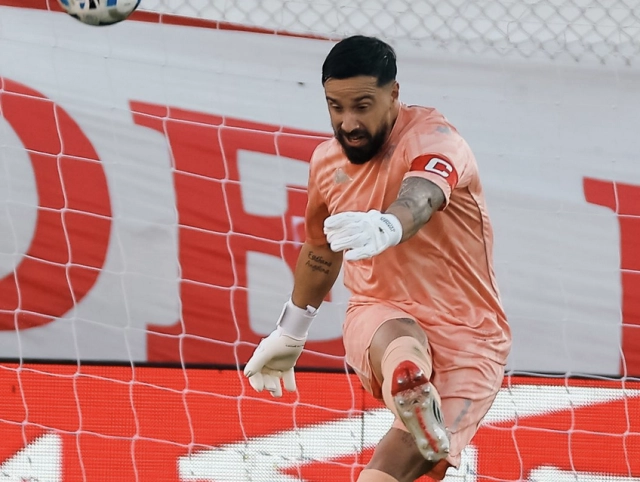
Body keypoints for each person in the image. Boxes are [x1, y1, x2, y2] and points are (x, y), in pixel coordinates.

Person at [243, 35, 512, 482]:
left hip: (468, 332)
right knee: (397, 336)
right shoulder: (327, 163)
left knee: (405, 465)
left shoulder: (436, 139)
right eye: (335, 107)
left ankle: (413, 391)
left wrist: (388, 226)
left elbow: (423, 195)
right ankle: (409, 376)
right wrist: (290, 331)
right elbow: (321, 247)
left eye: (362, 106)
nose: (348, 122)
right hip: (379, 313)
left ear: (394, 94)